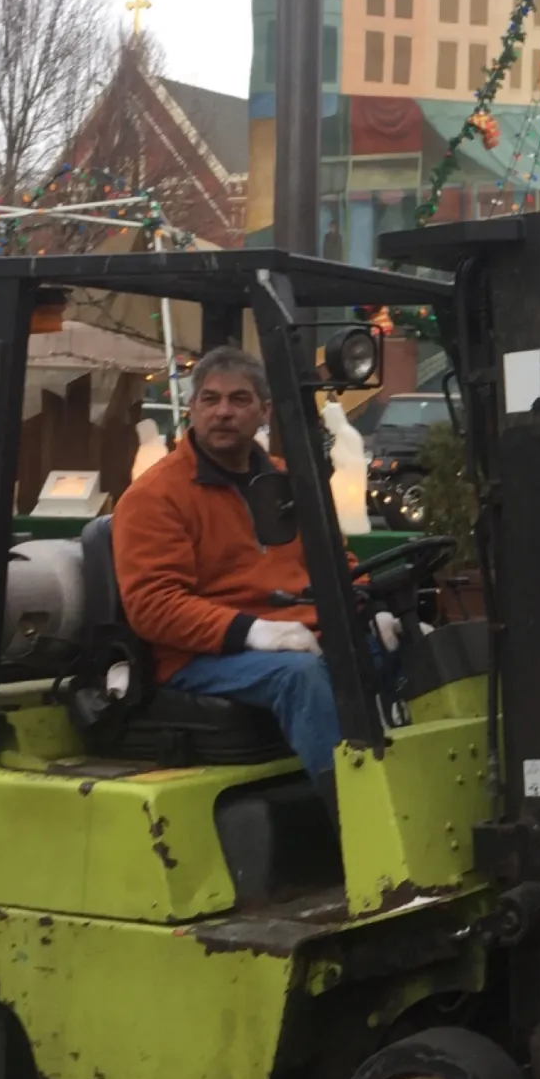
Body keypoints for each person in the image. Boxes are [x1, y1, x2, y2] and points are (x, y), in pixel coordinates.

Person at [113, 346, 391, 811]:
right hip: (201, 655)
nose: (223, 411)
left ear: (264, 411)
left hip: (300, 635)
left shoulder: (287, 482)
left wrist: (372, 604)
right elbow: (153, 605)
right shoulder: (156, 496)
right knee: (300, 676)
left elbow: (334, 561)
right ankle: (361, 818)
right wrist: (252, 631)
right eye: (210, 399)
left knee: (404, 650)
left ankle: (420, 797)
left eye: (238, 399)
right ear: (192, 407)